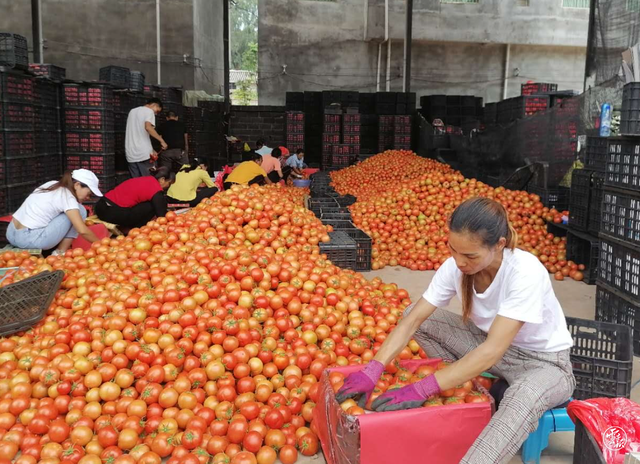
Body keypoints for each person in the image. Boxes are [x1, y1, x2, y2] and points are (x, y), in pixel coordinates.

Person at [336, 197, 575, 464]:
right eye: (453, 250)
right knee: (415, 314)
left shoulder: (525, 272)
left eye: (470, 255)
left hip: (543, 364)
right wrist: (375, 367)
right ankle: (472, 384)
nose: (459, 262)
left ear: (499, 245)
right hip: (492, 351)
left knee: (520, 401)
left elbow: (492, 350)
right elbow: (413, 320)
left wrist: (423, 388)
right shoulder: (456, 267)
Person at [7, 170, 103, 254]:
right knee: (80, 210)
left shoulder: (52, 184)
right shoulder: (68, 197)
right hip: (30, 239)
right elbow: (82, 230)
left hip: (11, 233)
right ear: (77, 185)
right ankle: (59, 254)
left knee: (73, 210)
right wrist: (102, 246)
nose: (88, 198)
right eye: (89, 193)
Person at [95, 167, 173, 229]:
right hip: (110, 212)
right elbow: (161, 215)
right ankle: (136, 229)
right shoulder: (156, 188)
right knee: (152, 206)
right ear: (162, 180)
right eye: (169, 183)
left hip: (100, 207)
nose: (168, 187)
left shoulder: (146, 179)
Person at [125, 98, 167, 178]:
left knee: (136, 183)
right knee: (149, 181)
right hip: (144, 155)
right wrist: (162, 141)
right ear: (154, 105)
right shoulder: (149, 111)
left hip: (130, 154)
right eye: (157, 111)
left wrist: (152, 149)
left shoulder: (132, 111)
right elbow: (148, 128)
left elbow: (140, 134)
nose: (156, 114)